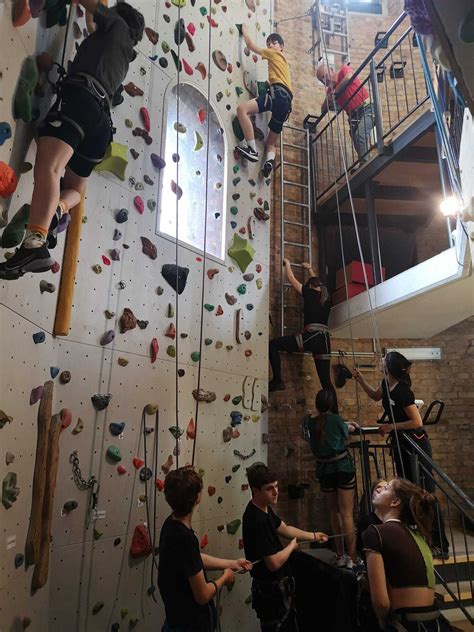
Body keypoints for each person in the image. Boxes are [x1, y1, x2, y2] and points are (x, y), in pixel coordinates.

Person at [0, 0, 144, 280]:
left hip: (80, 101)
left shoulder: (116, 24)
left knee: (50, 169)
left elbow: (91, 6)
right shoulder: (123, 53)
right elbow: (93, 23)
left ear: (118, 16)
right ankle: (56, 212)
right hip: (101, 127)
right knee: (76, 187)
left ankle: (34, 244)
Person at [352, 351, 449, 558]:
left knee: (426, 494)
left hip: (416, 447)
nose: (380, 361)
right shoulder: (387, 383)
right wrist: (361, 380)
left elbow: (416, 422)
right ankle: (417, 536)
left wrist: (391, 427)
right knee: (408, 493)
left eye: (384, 360)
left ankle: (440, 543)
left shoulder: (404, 391)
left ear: (390, 367)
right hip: (401, 446)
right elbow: (376, 396)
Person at [158, 467, 252, 632]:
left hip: (176, 619)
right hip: (190, 624)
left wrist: (232, 563)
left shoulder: (170, 524)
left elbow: (193, 559)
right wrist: (224, 578)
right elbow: (202, 595)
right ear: (197, 498)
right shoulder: (185, 538)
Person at [242, 463, 328, 632]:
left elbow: (286, 529)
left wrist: (314, 535)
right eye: (269, 489)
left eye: (276, 487)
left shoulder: (264, 508)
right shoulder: (256, 518)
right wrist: (291, 547)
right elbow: (273, 563)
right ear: (255, 490)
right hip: (269, 593)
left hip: (275, 588)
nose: (276, 492)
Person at [363, 478, 449, 631]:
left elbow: (381, 603)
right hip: (435, 622)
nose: (379, 490)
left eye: (386, 488)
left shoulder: (375, 532)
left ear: (395, 501)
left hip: (406, 624)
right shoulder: (418, 535)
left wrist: (383, 623)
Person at [269, 259, 338, 411]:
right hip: (324, 341)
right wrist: (310, 269)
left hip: (311, 337)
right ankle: (335, 415)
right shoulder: (326, 298)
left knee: (273, 345)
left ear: (310, 287)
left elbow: (292, 279)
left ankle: (277, 380)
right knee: (326, 382)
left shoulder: (309, 293)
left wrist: (287, 263)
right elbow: (317, 283)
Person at [307, 389, 358, 569]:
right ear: (332, 404)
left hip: (324, 469)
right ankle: (352, 558)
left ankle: (340, 554)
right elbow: (347, 432)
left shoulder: (309, 422)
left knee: (333, 512)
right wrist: (349, 425)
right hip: (342, 466)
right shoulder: (336, 420)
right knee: (347, 513)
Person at [235, 27, 293, 178]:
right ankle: (269, 162)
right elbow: (277, 80)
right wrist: (268, 84)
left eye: (274, 43)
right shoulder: (285, 64)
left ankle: (252, 150)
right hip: (286, 104)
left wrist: (245, 30)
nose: (270, 46)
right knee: (271, 143)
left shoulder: (273, 54)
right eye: (268, 44)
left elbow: (251, 45)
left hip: (278, 95)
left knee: (242, 110)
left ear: (281, 47)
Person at [316, 63, 375, 170]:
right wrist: (327, 100)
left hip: (367, 108)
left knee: (360, 135)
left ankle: (365, 164)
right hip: (353, 116)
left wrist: (336, 92)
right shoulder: (330, 91)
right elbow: (323, 110)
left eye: (324, 76)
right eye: (321, 80)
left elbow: (349, 77)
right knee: (355, 136)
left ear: (332, 69)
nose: (325, 81)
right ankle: (364, 161)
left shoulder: (343, 70)